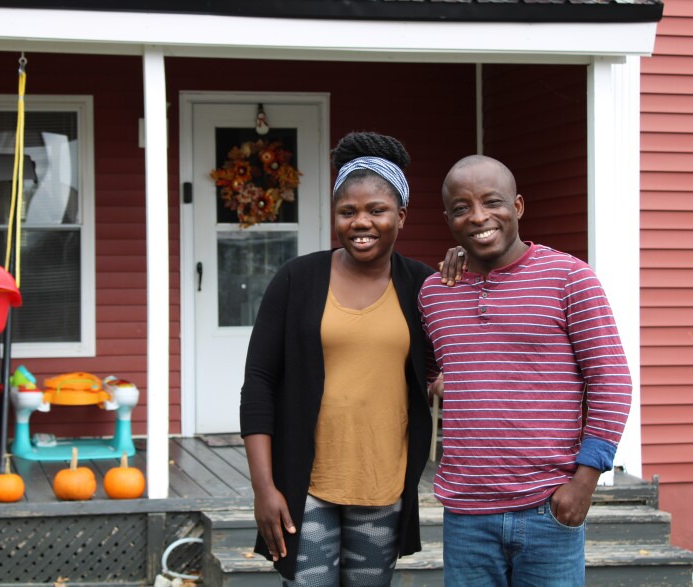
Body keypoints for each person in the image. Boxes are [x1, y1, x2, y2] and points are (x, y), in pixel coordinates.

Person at [418, 154, 633, 586]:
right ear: (448, 219)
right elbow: (425, 369)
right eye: (462, 208)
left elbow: (611, 381)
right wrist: (452, 383)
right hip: (466, 514)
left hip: (548, 507)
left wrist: (584, 482)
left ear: (517, 206)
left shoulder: (569, 278)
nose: (478, 217)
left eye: (492, 202)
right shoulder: (435, 292)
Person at [239, 131, 437, 585]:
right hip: (304, 486)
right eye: (347, 211)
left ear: (401, 217)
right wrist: (263, 488)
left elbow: (472, 330)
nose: (360, 222)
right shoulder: (297, 279)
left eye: (376, 210)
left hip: (382, 483)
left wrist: (461, 260)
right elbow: (259, 384)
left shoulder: (424, 287)